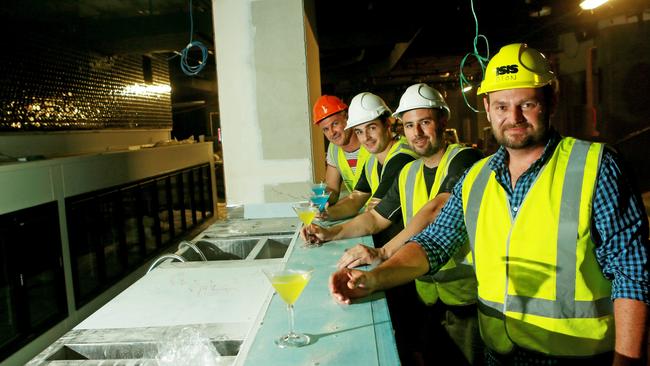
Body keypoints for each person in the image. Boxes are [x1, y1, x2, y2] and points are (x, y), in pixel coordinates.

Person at [329, 43, 649, 365]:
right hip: (499, 350)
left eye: (527, 104)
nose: (513, 118)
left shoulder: (596, 167)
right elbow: (433, 243)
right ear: (486, 106)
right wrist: (372, 278)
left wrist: (627, 360)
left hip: (575, 355)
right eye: (501, 107)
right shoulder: (477, 177)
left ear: (551, 99)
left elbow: (632, 272)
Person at [304, 83, 484, 365]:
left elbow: (437, 208)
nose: (418, 133)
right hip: (425, 289)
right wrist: (329, 233)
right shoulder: (410, 172)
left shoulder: (465, 158)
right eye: (411, 125)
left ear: (442, 121)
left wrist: (383, 252)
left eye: (424, 122)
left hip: (465, 296)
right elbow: (375, 217)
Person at [321, 91, 418, 222]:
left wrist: (330, 233)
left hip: (411, 238)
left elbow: (373, 214)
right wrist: (326, 214)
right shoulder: (372, 160)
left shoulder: (401, 158)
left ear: (387, 124)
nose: (366, 138)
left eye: (371, 128)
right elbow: (354, 200)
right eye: (359, 131)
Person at [313, 95, 370, 204]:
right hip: (359, 210)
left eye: (335, 124)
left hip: (384, 213)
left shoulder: (370, 141)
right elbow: (333, 190)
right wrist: (323, 199)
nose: (332, 132)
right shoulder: (333, 148)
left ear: (346, 117)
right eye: (325, 129)